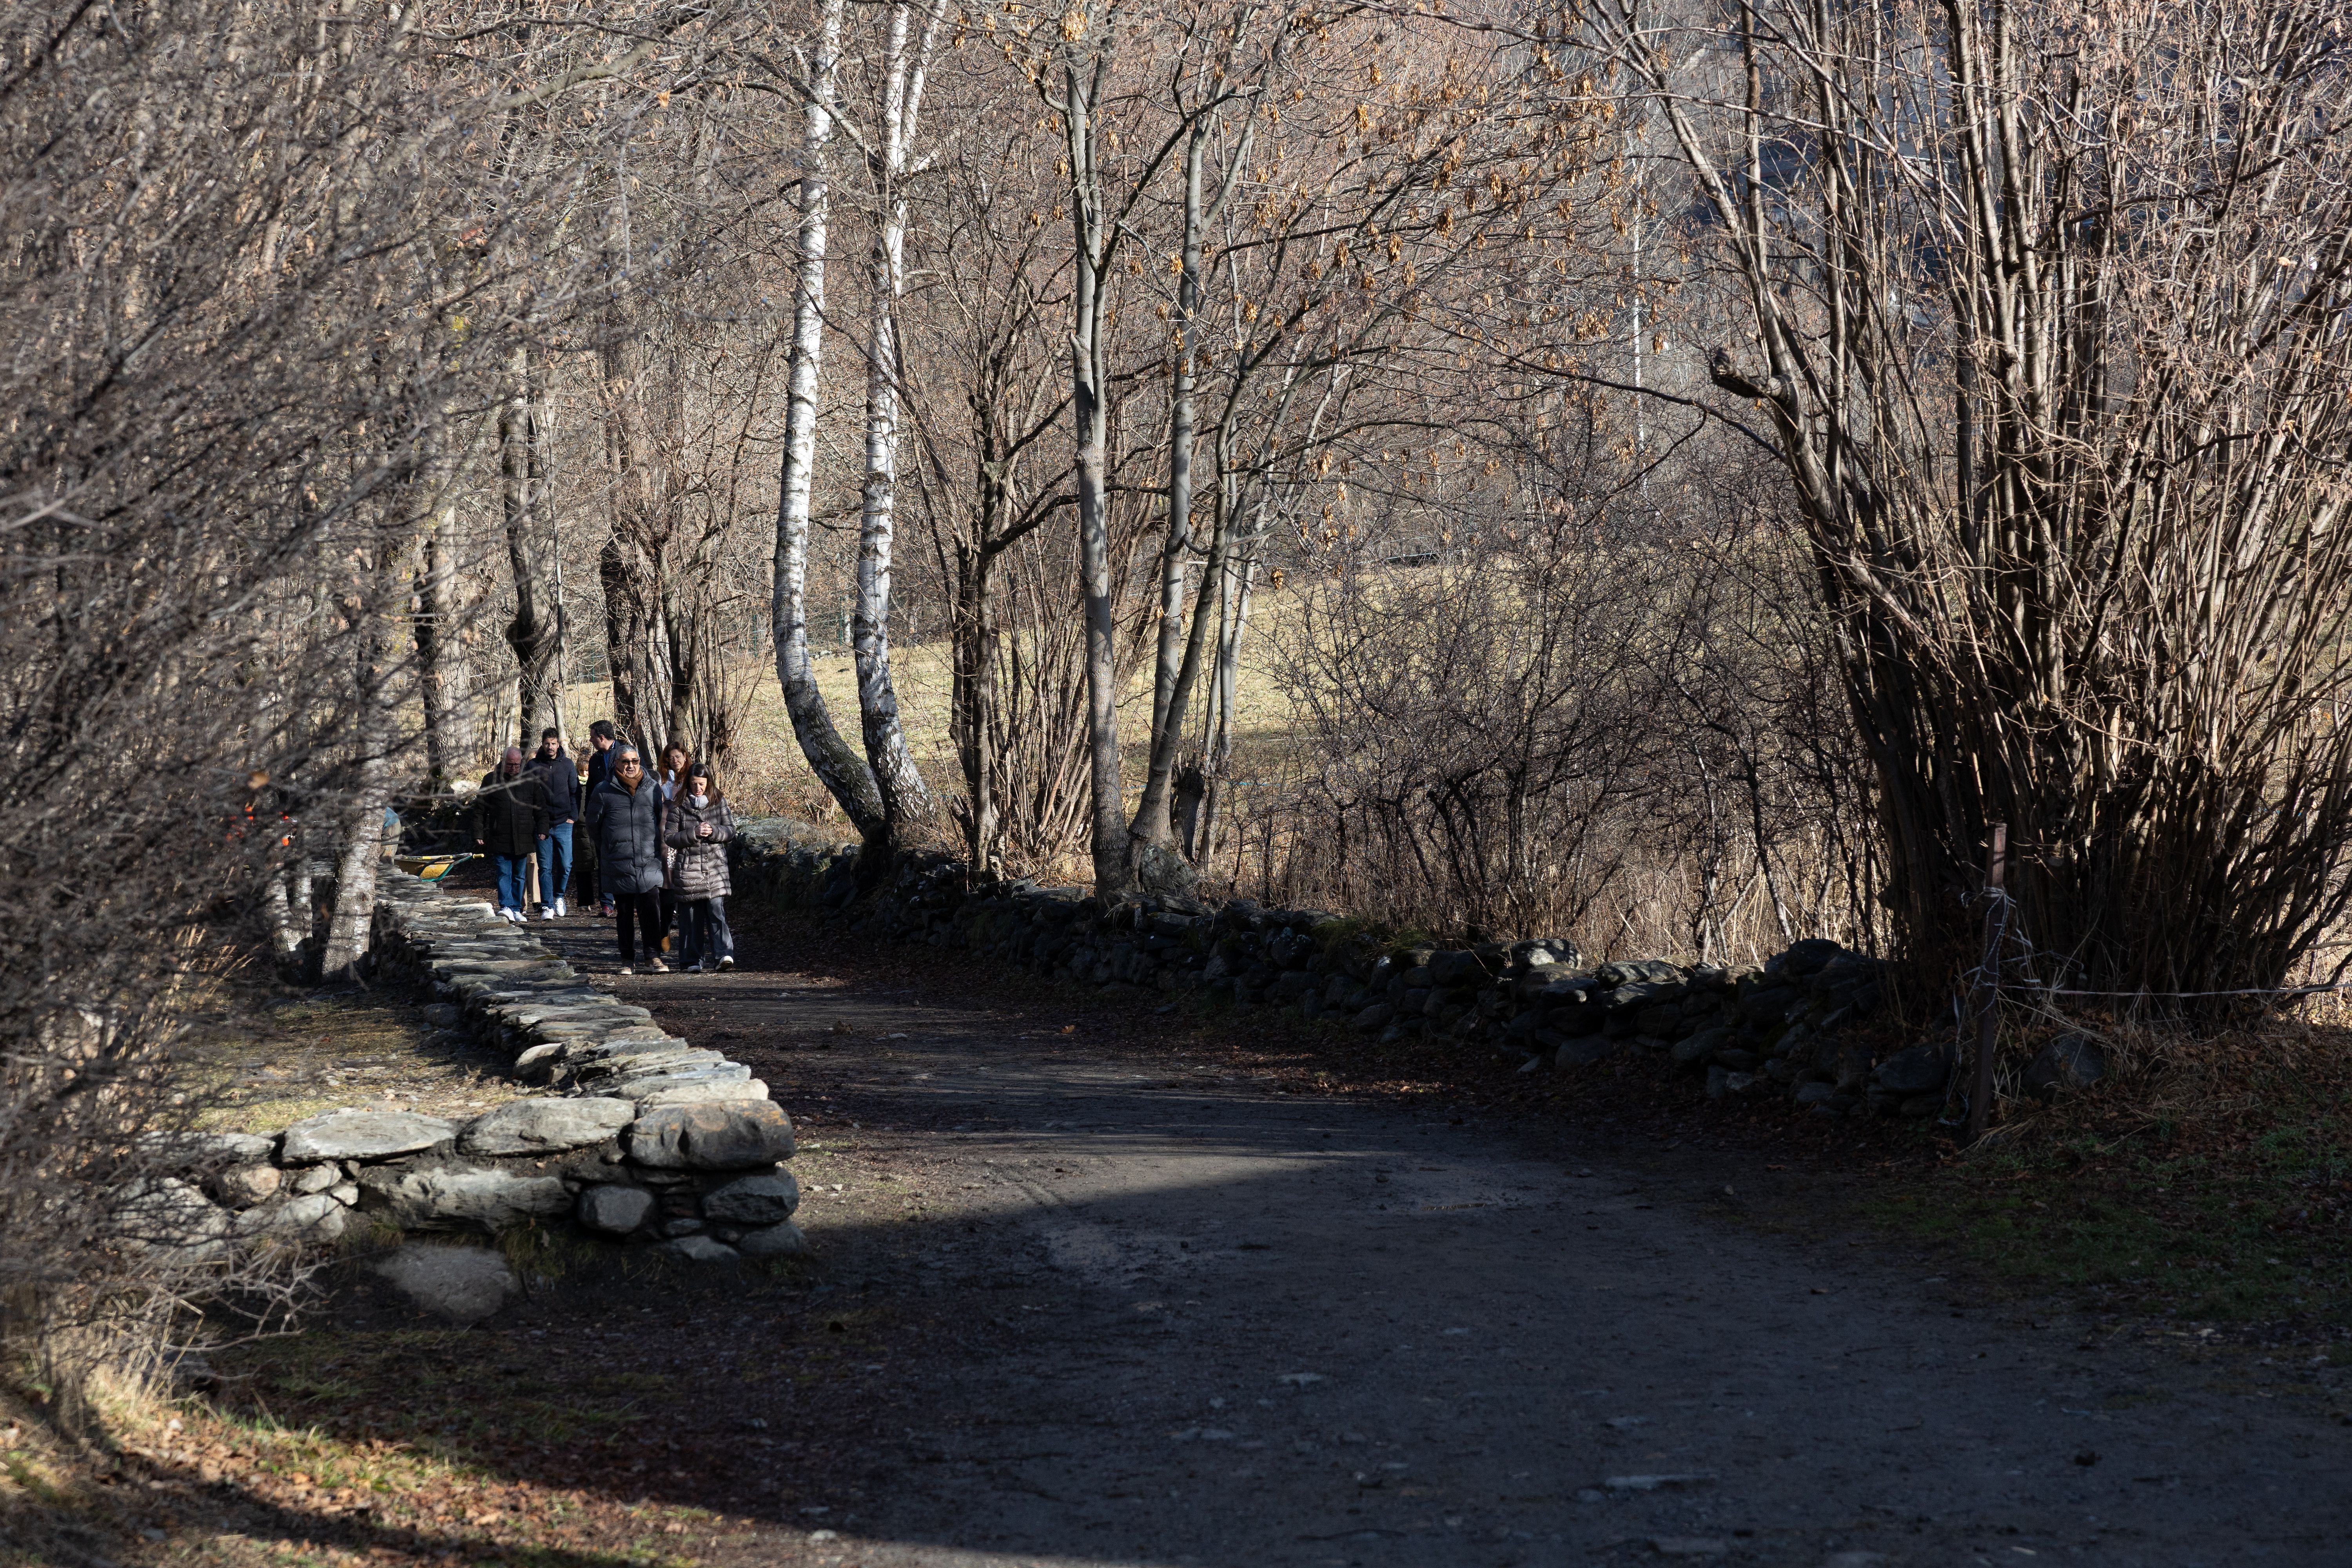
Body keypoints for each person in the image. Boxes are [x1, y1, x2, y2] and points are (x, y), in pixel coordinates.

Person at [583, 745, 667, 973]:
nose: (631, 766)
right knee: (625, 914)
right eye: (625, 762)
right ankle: (627, 960)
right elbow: (593, 825)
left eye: (635, 761)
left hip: (648, 860)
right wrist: (609, 848)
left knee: (652, 912)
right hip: (618, 862)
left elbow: (660, 820)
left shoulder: (652, 789)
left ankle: (653, 957)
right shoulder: (603, 791)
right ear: (616, 764)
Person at [662, 760, 736, 973]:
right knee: (690, 917)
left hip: (715, 868)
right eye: (694, 784)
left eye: (702, 784)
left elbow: (731, 830)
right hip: (689, 869)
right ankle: (691, 961)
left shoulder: (719, 801)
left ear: (709, 783)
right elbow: (670, 837)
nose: (699, 788)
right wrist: (693, 833)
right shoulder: (678, 805)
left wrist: (714, 831)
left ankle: (724, 956)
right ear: (688, 783)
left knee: (716, 911)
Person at [472, 746, 544, 924]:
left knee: (520, 875)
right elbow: (480, 809)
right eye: (510, 765)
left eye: (517, 765)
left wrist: (543, 829)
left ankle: (517, 908)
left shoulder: (530, 780)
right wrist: (478, 832)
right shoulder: (491, 780)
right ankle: (506, 906)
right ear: (503, 762)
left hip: (524, 835)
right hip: (500, 835)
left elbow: (541, 809)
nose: (513, 768)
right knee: (504, 872)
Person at [526, 727, 579, 920]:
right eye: (547, 743)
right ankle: (547, 905)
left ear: (559, 744)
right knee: (545, 866)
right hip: (543, 824)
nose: (550, 747)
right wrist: (535, 818)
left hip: (565, 822)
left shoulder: (567, 765)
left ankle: (559, 897)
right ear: (542, 744)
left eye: (554, 743)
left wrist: (573, 816)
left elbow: (575, 792)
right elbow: (526, 793)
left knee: (566, 864)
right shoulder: (533, 766)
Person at [653, 739, 692, 947]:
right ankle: (664, 930)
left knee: (687, 886)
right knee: (668, 886)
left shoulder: (693, 778)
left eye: (678, 756)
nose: (675, 761)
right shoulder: (660, 780)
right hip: (666, 838)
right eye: (671, 757)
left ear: (685, 757)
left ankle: (690, 941)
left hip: (689, 835)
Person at [580, 720, 619, 918]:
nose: (591, 740)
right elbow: (592, 790)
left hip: (622, 818)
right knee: (603, 860)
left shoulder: (626, 754)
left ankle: (623, 899)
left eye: (592, 736)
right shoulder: (594, 760)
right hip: (600, 819)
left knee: (622, 859)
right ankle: (606, 903)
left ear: (602, 738)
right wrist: (589, 814)